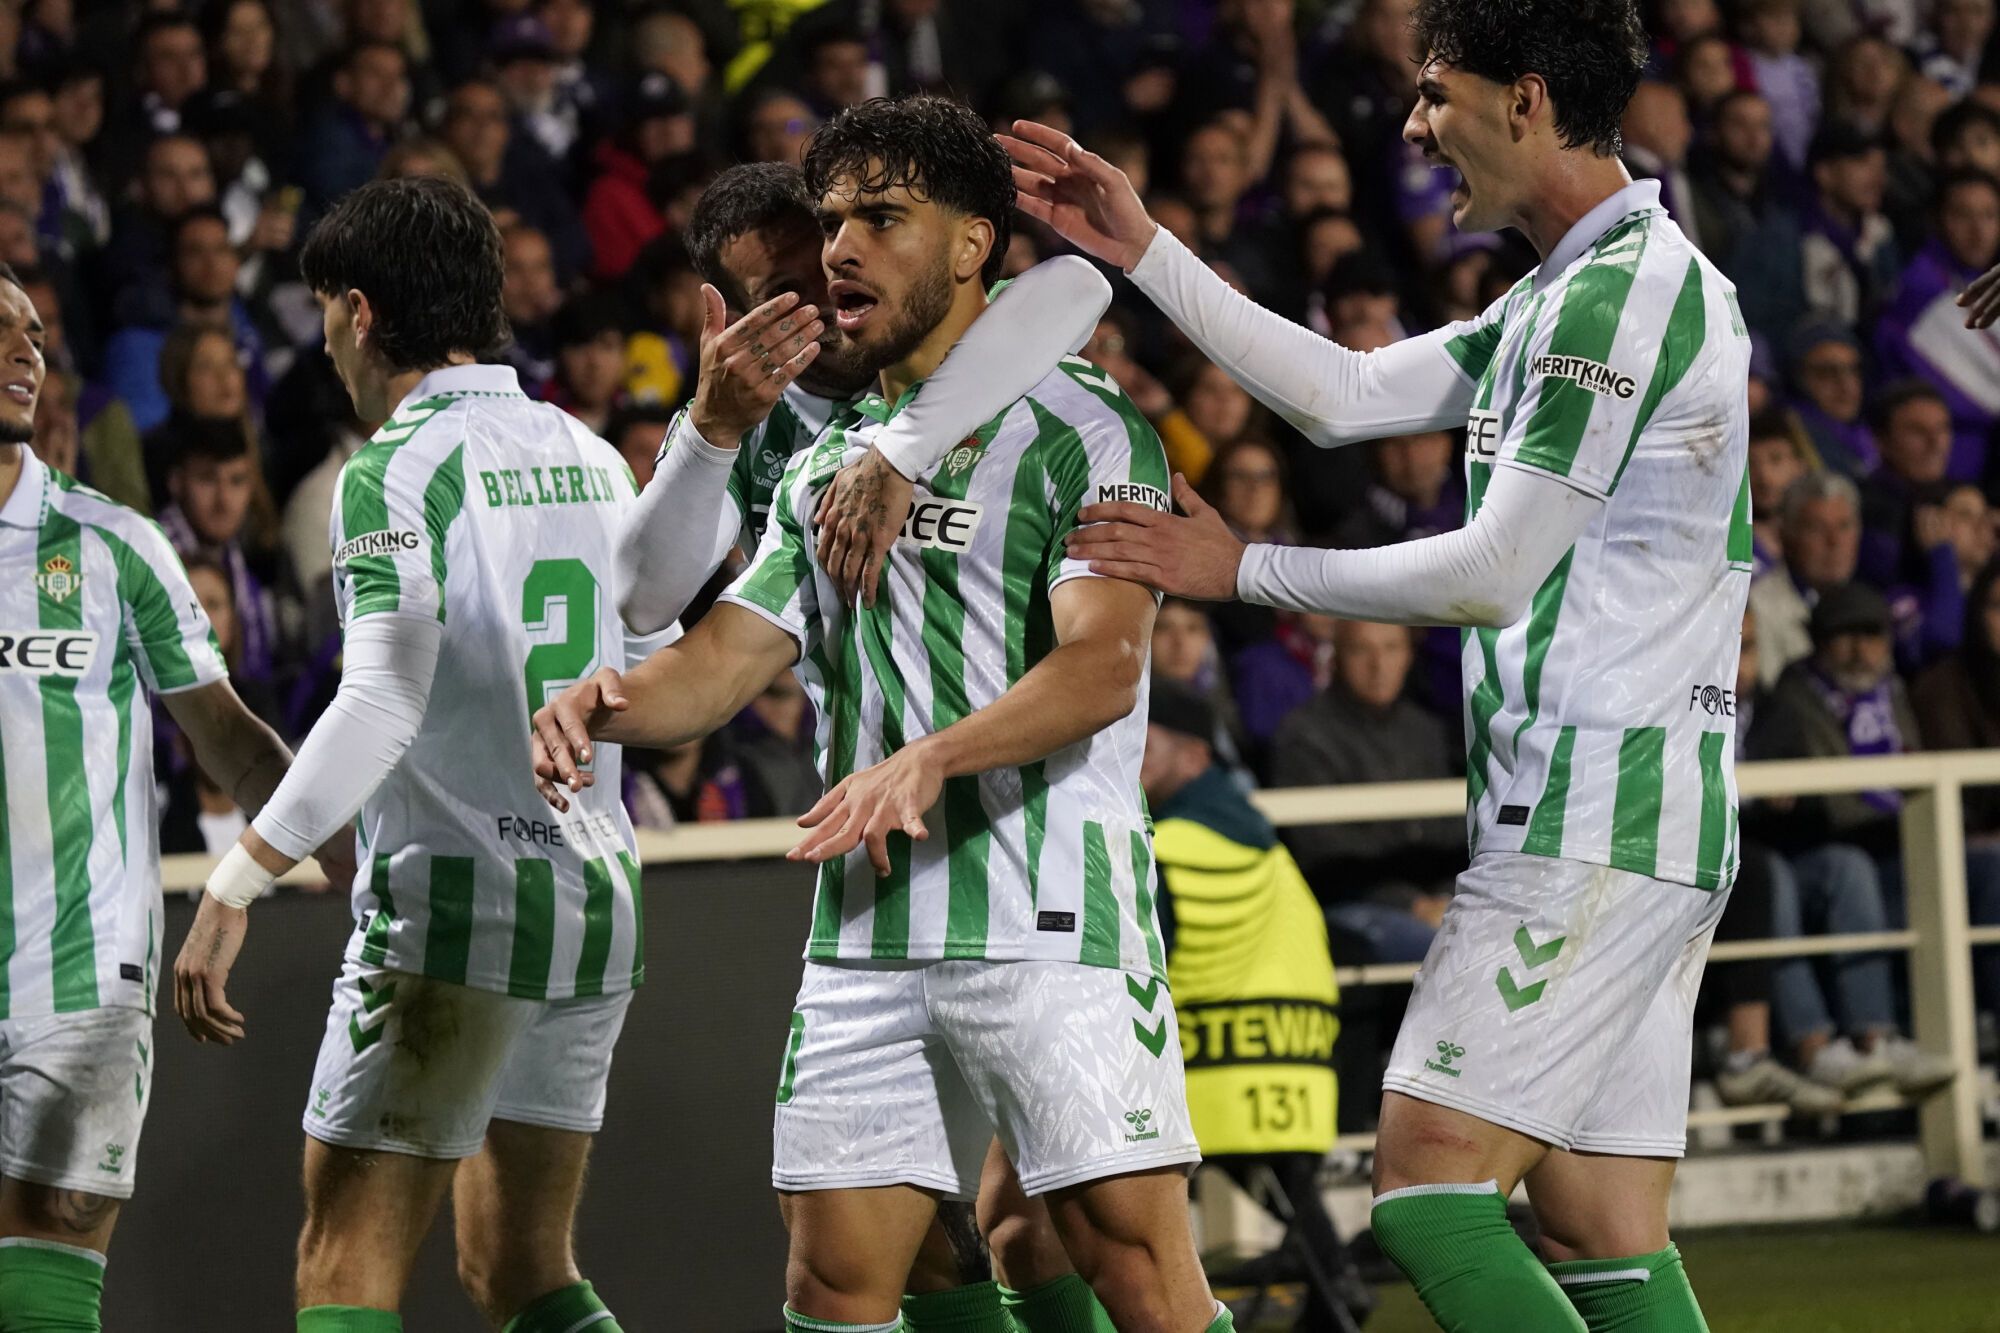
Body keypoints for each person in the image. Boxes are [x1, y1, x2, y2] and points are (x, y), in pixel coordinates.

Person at [1012, 0, 1750, 1325]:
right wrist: (1146, 248)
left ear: (1524, 101)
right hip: (1633, 815)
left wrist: (1244, 572)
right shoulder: (1567, 293)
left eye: (1436, 97)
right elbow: (1347, 397)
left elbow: (1490, 570)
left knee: (1425, 1181)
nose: (1414, 128)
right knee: (1596, 1217)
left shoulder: (1620, 300)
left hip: (1598, 814)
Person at [538, 93, 1232, 1333]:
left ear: (972, 245)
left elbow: (1101, 670)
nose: (843, 247)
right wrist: (606, 699)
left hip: (1048, 922)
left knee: (1134, 1273)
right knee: (834, 1283)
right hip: (863, 931)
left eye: (882, 218)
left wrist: (927, 760)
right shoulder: (825, 464)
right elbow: (717, 662)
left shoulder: (1082, 427)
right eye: (835, 218)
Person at [173, 176, 669, 1333]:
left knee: (343, 1262)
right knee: (521, 1271)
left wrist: (240, 876)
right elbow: (656, 674)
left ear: (358, 311)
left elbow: (383, 697)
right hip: (596, 899)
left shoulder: (391, 469)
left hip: (454, 910)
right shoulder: (593, 456)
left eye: (328, 319)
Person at [0, 264, 330, 1333]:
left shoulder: (111, 544)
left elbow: (232, 746)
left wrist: (362, 864)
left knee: (49, 1250)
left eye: (36, 333)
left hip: (81, 965)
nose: (25, 351)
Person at [1143, 682, 1373, 1332]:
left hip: (1208, 1065)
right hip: (1293, 1058)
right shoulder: (1266, 841)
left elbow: (1145, 959)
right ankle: (1336, 1283)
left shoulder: (1168, 843)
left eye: (1145, 741)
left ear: (1192, 754)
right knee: (1288, 1181)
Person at [1266, 619, 1463, 964]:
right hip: (1346, 905)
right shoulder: (1303, 735)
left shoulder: (1428, 732)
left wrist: (1445, 896)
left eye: (1391, 648)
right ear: (1337, 656)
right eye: (1361, 649)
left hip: (1440, 901)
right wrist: (1409, 903)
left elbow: (1453, 834)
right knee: (1447, 949)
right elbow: (1321, 849)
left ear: (1409, 655)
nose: (1378, 665)